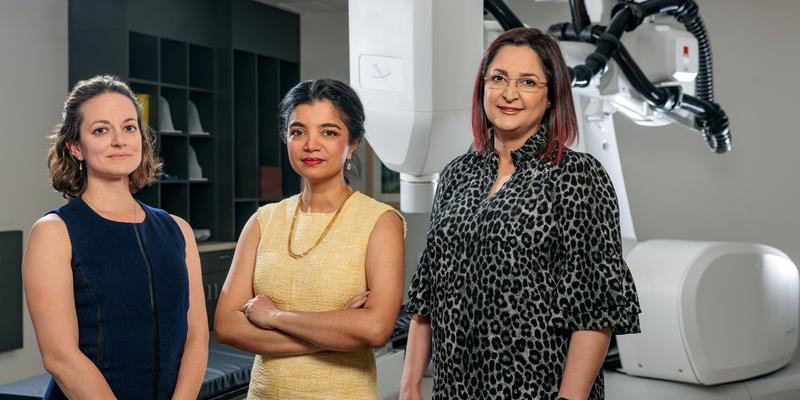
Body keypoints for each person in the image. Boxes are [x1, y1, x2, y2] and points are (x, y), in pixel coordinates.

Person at [399, 28, 642, 400]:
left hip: (538, 389)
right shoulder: (455, 175)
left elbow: (596, 308)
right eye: (498, 78)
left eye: (528, 82)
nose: (509, 93)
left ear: (550, 97)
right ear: (483, 88)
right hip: (455, 390)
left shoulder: (576, 176)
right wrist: (410, 385)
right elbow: (427, 295)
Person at [214, 78, 406, 399]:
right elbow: (225, 326)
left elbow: (375, 329)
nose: (310, 144)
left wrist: (272, 317)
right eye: (298, 131)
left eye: (328, 132)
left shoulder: (379, 222)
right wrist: (338, 329)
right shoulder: (263, 221)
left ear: (353, 143)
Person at [23, 75, 208, 399]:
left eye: (129, 127)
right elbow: (60, 357)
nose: (119, 140)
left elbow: (196, 336)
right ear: (75, 147)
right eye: (101, 130)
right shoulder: (54, 232)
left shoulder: (178, 230)